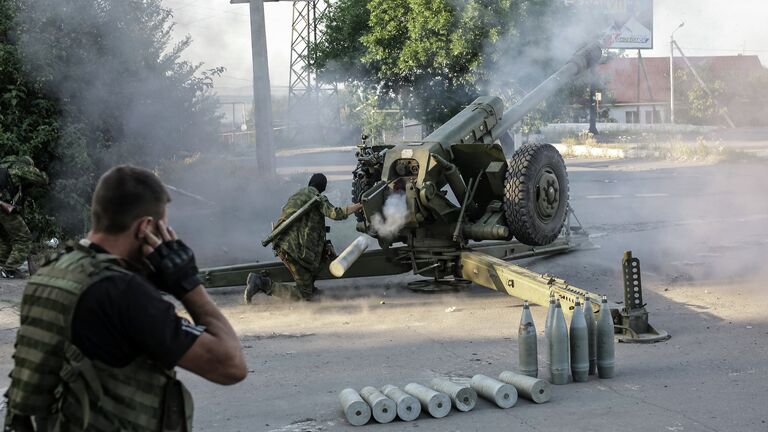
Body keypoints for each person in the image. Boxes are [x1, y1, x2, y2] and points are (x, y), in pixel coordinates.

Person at [3, 165, 246, 431]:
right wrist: (188, 284)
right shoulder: (123, 292)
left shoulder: (52, 272)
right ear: (145, 227)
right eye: (162, 226)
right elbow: (230, 365)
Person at [244, 173, 362, 302]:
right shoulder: (317, 198)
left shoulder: (297, 196)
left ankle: (311, 289)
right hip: (296, 250)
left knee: (312, 272)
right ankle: (261, 283)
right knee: (305, 294)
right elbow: (335, 214)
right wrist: (358, 206)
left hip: (283, 244)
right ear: (323, 188)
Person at [0, 156, 48, 278]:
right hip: (3, 209)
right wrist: (36, 170)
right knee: (24, 239)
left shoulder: (3, 166)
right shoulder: (19, 167)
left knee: (5, 239)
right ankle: (9, 270)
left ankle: (1, 266)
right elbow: (43, 179)